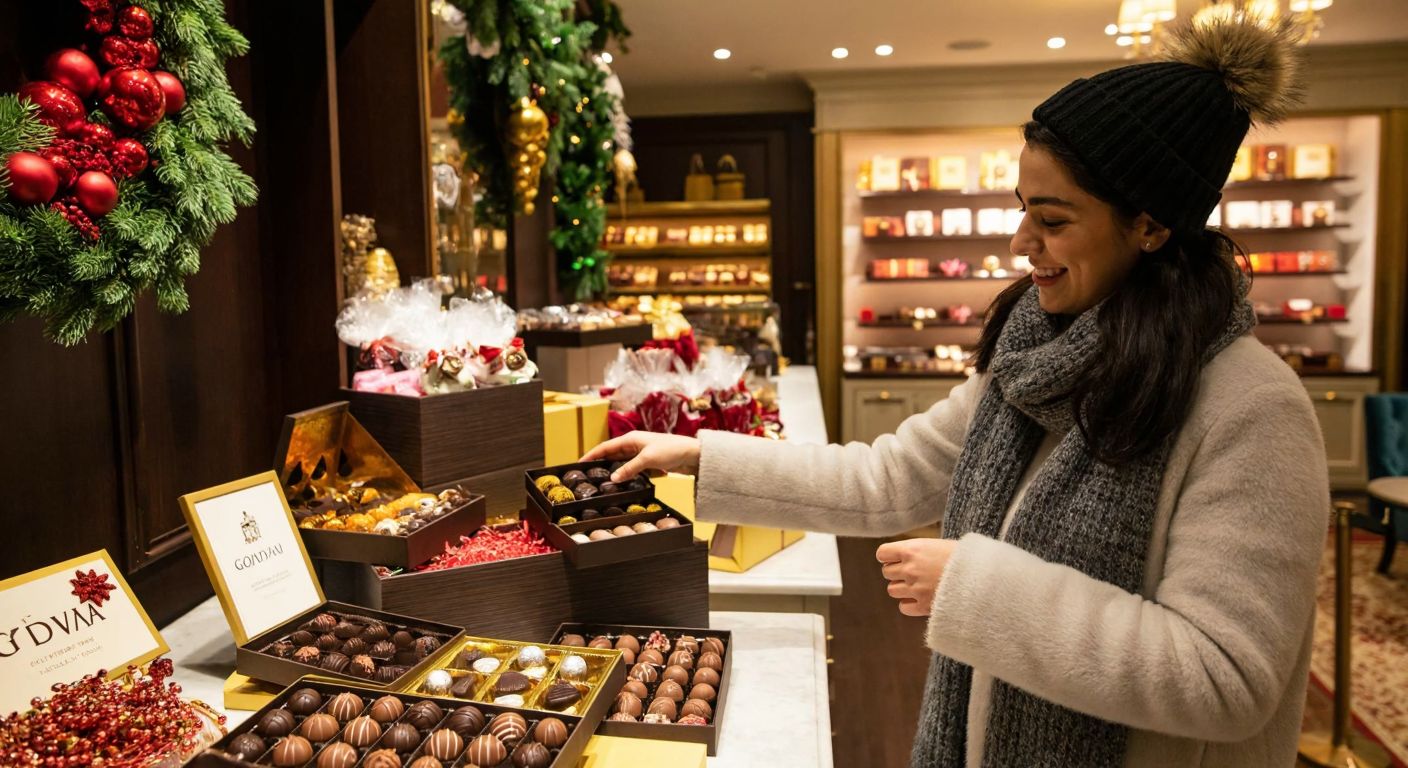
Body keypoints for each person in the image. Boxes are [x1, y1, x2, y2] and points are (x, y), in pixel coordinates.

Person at [585, 12, 1330, 768]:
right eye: (1021, 210)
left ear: (1149, 226)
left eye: (1053, 219)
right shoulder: (1036, 357)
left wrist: (983, 590)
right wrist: (699, 459)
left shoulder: (1251, 410)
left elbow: (1226, 678)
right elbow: (889, 477)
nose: (1019, 241)